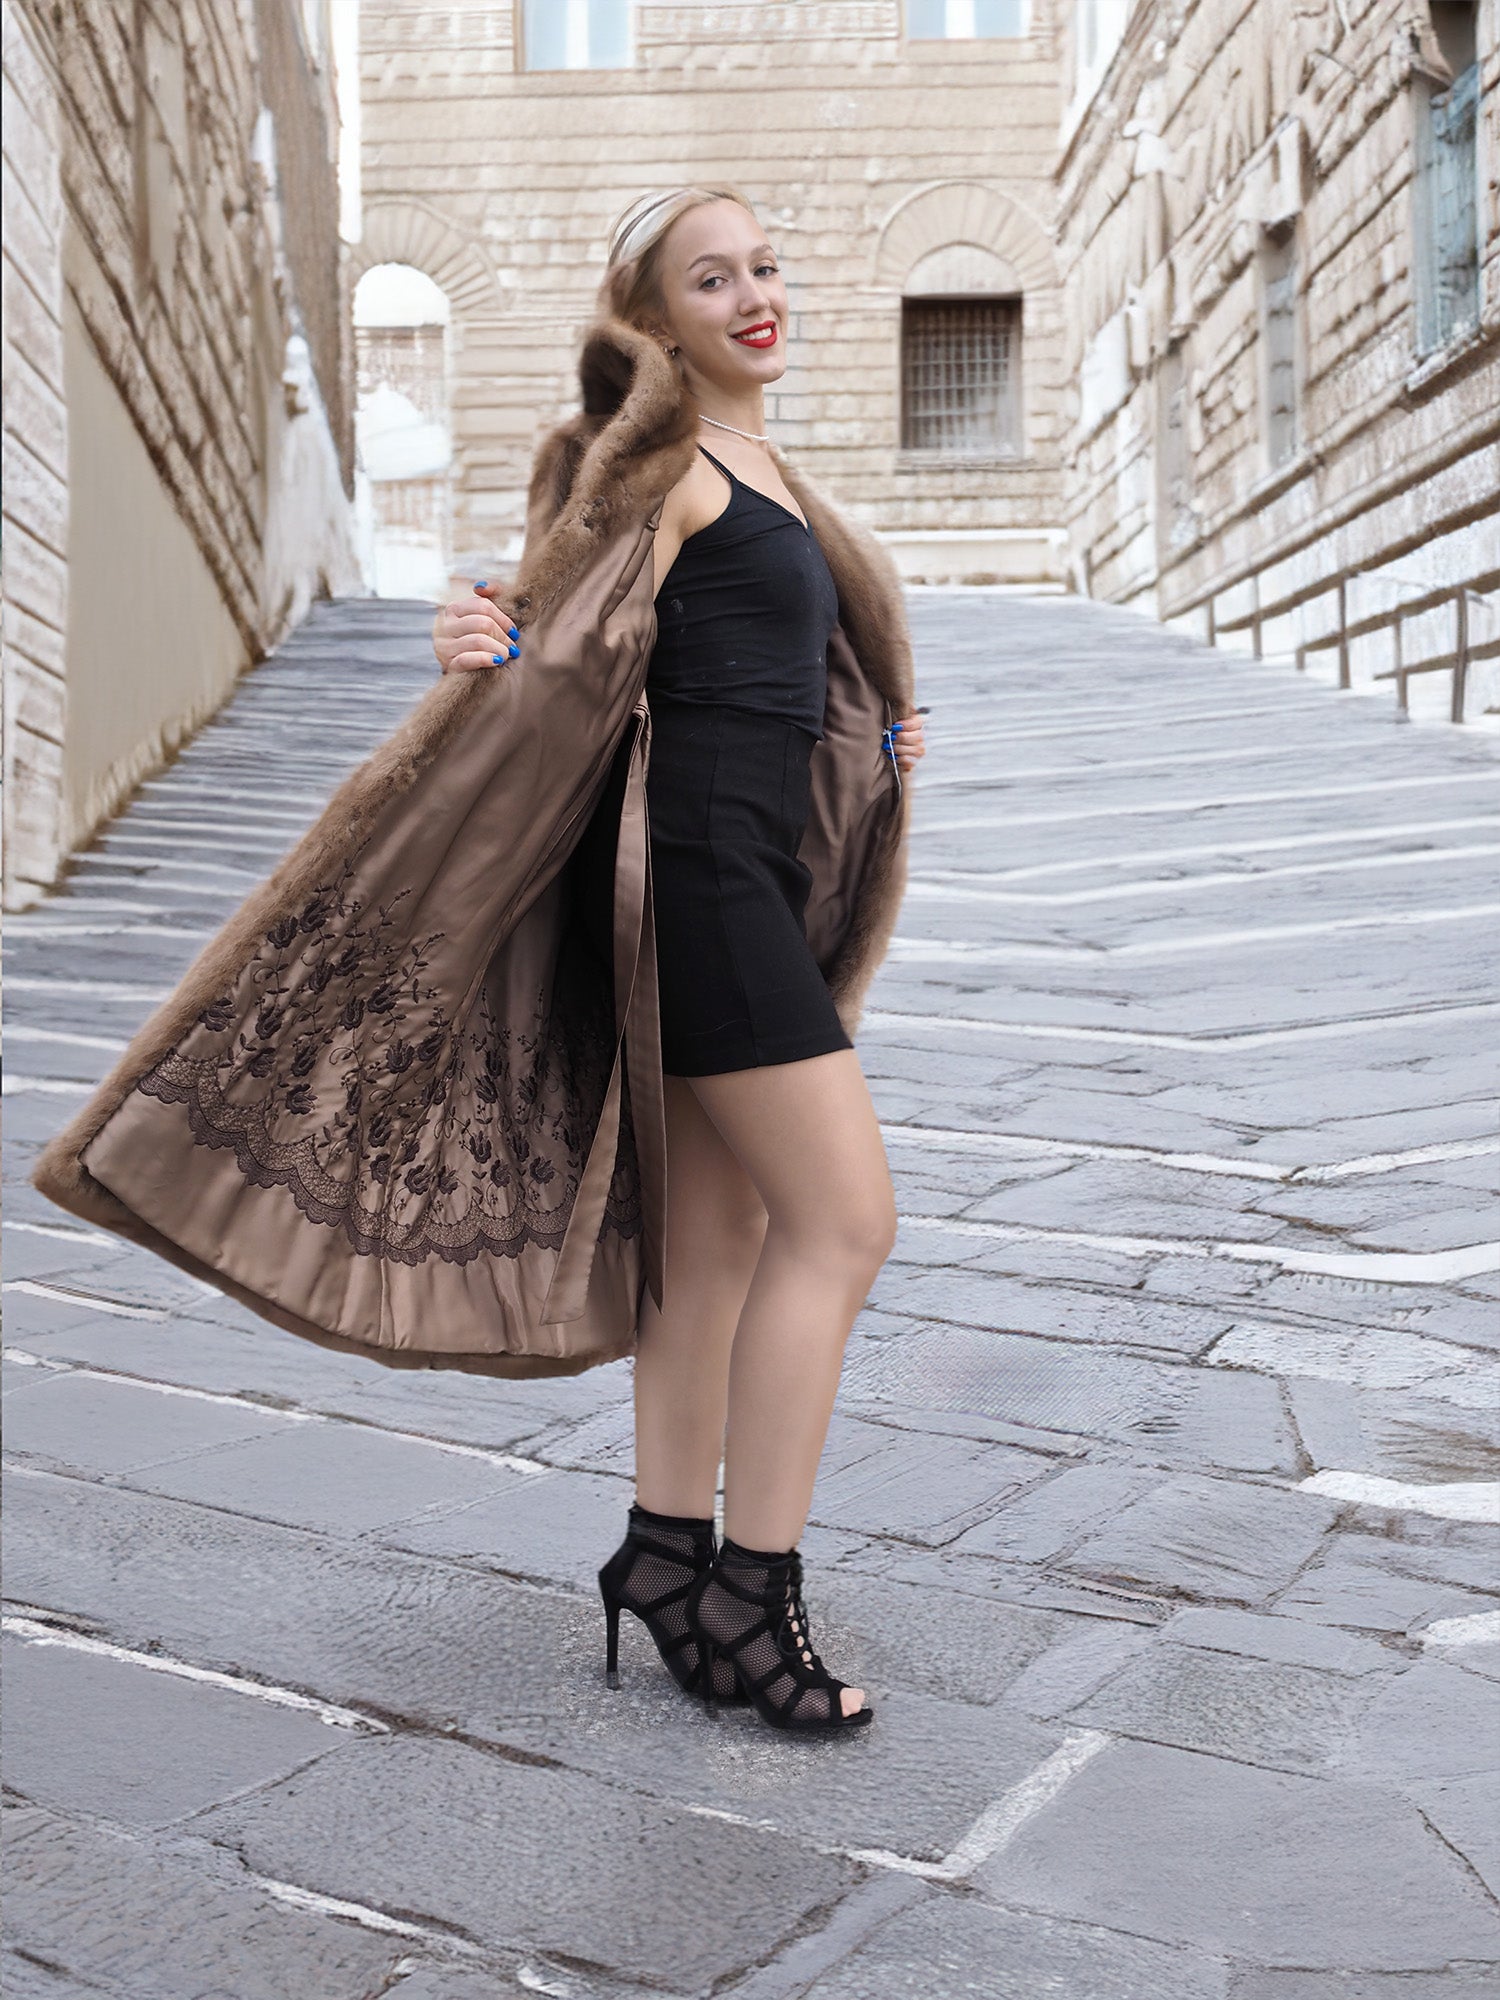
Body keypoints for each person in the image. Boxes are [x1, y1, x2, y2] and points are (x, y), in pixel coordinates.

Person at [432, 188, 926, 1733]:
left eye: (766, 265)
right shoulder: (652, 466)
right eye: (713, 280)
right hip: (701, 883)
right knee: (844, 1225)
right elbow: (542, 629)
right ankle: (749, 1596)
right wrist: (473, 635)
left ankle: (662, 1554)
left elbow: (777, 666)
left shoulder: (761, 461)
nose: (754, 295)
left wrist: (873, 735)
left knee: (711, 1249)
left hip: (751, 875)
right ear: (654, 322)